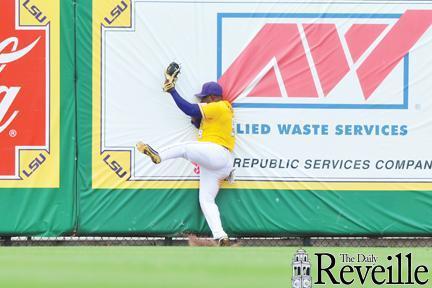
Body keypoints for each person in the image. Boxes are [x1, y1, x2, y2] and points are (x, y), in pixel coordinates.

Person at [136, 65, 235, 246]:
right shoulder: (220, 113)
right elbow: (197, 121)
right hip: (216, 163)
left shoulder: (219, 106)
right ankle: (221, 236)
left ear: (212, 97)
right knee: (206, 200)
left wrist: (172, 91)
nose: (203, 102)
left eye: (204, 99)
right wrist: (198, 121)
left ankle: (159, 156)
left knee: (185, 148)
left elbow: (190, 109)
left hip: (217, 153)